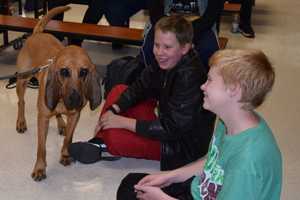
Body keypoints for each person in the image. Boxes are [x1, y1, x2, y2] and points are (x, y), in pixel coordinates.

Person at [116, 49, 282, 200]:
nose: (203, 86)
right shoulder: (230, 120)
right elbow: (213, 161)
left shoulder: (246, 162)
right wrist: (170, 176)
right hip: (202, 190)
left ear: (233, 90)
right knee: (131, 186)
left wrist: (161, 198)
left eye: (210, 80)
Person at [68, 15, 216, 171]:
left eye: (167, 47)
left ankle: (103, 142)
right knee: (119, 90)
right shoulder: (166, 60)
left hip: (178, 144)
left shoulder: (189, 76)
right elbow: (139, 87)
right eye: (156, 45)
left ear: (185, 48)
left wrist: (122, 122)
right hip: (164, 116)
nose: (159, 52)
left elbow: (171, 129)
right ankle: (102, 136)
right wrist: (113, 110)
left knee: (116, 138)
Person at [141, 0, 223, 70]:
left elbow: (211, 14)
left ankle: (203, 83)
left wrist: (189, 34)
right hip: (166, 20)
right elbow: (155, 11)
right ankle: (155, 81)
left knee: (208, 50)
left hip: (200, 23)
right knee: (149, 48)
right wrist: (171, 32)